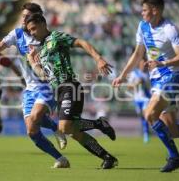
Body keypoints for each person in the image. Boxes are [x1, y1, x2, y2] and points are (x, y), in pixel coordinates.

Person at [112, 0, 179, 172]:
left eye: (145, 10)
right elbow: (138, 54)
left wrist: (163, 63)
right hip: (156, 80)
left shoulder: (169, 29)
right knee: (173, 132)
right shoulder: (142, 26)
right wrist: (123, 75)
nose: (141, 12)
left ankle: (175, 157)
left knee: (149, 114)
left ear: (155, 11)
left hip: (171, 77)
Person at [25, 13, 118, 169]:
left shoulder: (56, 37)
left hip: (70, 86)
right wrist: (33, 63)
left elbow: (80, 42)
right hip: (58, 92)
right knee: (72, 131)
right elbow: (44, 76)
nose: (32, 33)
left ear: (42, 23)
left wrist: (98, 58)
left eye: (34, 28)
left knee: (65, 127)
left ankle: (99, 124)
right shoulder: (41, 51)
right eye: (30, 31)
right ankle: (107, 157)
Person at [0, 3, 69, 168]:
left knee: (35, 117)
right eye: (22, 16)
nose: (23, 19)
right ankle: (61, 158)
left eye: (27, 16)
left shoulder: (47, 37)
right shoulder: (17, 34)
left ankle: (55, 127)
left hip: (47, 85)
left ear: (37, 17)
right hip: (30, 89)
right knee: (31, 130)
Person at [128, 58, 150, 143]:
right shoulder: (134, 73)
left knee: (146, 115)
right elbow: (129, 87)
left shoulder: (147, 74)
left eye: (144, 63)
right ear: (139, 64)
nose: (143, 65)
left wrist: (144, 83)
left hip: (145, 98)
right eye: (142, 63)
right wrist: (136, 83)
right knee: (141, 117)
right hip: (137, 99)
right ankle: (145, 131)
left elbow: (149, 87)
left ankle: (146, 134)